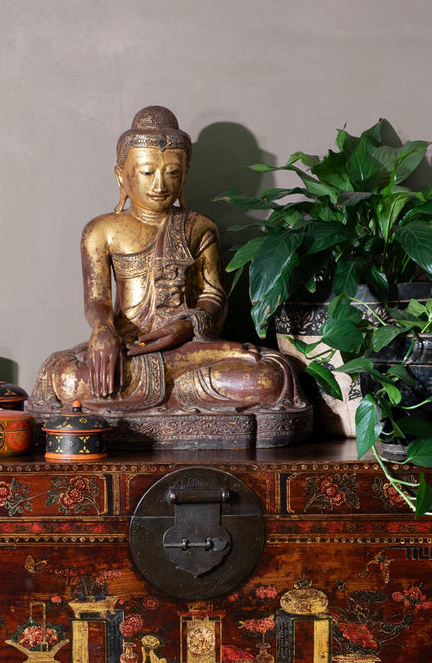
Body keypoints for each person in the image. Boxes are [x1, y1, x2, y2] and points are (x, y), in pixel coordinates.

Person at [31, 107, 310, 445]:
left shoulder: (198, 227)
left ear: (185, 174)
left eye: (172, 172)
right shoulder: (101, 230)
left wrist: (187, 325)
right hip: (128, 349)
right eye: (147, 172)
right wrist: (103, 330)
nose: (160, 185)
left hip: (187, 348)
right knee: (68, 379)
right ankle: (184, 392)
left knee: (270, 376)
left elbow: (213, 298)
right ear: (122, 176)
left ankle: (177, 389)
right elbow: (97, 299)